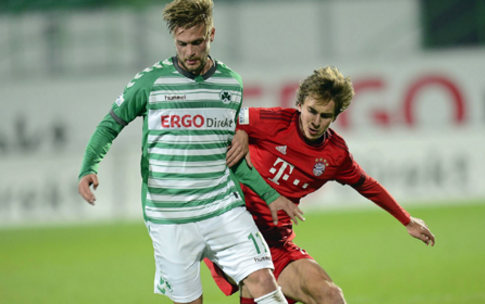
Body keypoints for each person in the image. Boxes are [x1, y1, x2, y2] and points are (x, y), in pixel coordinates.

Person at [77, 1, 304, 303]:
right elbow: (109, 125)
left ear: (212, 34)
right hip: (170, 218)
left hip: (222, 209)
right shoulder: (150, 82)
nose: (189, 51)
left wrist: (270, 194)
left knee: (264, 280)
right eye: (182, 44)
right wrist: (88, 166)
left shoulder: (230, 84)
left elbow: (231, 156)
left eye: (197, 42)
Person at [205, 66, 436, 304]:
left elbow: (367, 185)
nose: (315, 121)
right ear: (300, 104)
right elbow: (231, 118)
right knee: (260, 284)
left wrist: (407, 220)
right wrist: (242, 130)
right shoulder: (275, 121)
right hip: (236, 230)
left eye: (325, 115)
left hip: (277, 240)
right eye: (311, 111)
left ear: (335, 116)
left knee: (331, 296)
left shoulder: (335, 155)